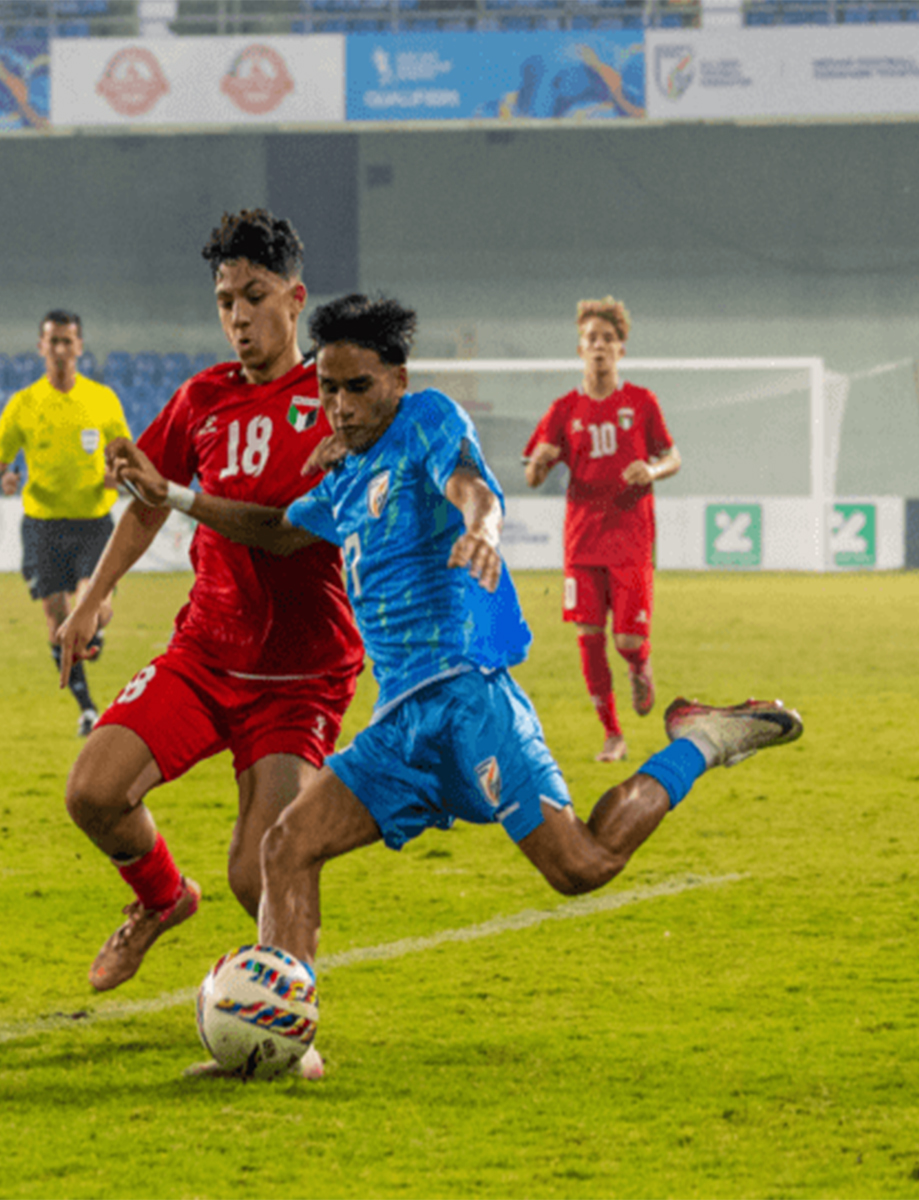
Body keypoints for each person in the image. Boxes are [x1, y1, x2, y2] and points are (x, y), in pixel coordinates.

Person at [110, 293, 802, 1076]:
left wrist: (483, 528)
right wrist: (173, 495)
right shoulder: (343, 474)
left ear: (397, 380)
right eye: (329, 389)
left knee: (581, 867)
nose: (340, 406)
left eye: (358, 387)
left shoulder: (427, 420)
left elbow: (471, 484)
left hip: (471, 702)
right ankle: (287, 1042)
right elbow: (274, 530)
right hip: (400, 725)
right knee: (286, 846)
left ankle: (701, 742)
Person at [55, 210, 364, 1020]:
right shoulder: (202, 398)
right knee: (93, 791)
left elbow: (287, 534)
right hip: (206, 652)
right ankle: (161, 898)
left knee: (260, 871)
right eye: (226, 300)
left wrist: (178, 495)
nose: (238, 317)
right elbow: (147, 501)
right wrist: (94, 594)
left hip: (300, 675)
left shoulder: (336, 404)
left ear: (295, 299)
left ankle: (293, 1025)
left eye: (255, 297)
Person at [523, 297, 681, 763]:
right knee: (589, 640)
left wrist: (651, 471)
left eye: (607, 339)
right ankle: (612, 734)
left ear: (620, 350)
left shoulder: (641, 402)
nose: (599, 346)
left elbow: (673, 456)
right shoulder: (563, 409)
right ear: (580, 348)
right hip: (582, 542)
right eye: (591, 338)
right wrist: (539, 463)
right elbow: (532, 476)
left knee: (627, 641)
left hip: (631, 540)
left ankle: (639, 663)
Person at [0, 309, 131, 736]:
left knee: (94, 608)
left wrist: (118, 473)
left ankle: (92, 632)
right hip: (43, 525)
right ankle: (87, 709)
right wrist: (4, 478)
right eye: (53, 341)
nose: (61, 349)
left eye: (68, 341)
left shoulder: (102, 400)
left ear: (79, 347)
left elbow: (123, 454)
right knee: (56, 620)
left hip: (93, 523)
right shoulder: (23, 404)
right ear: (41, 347)